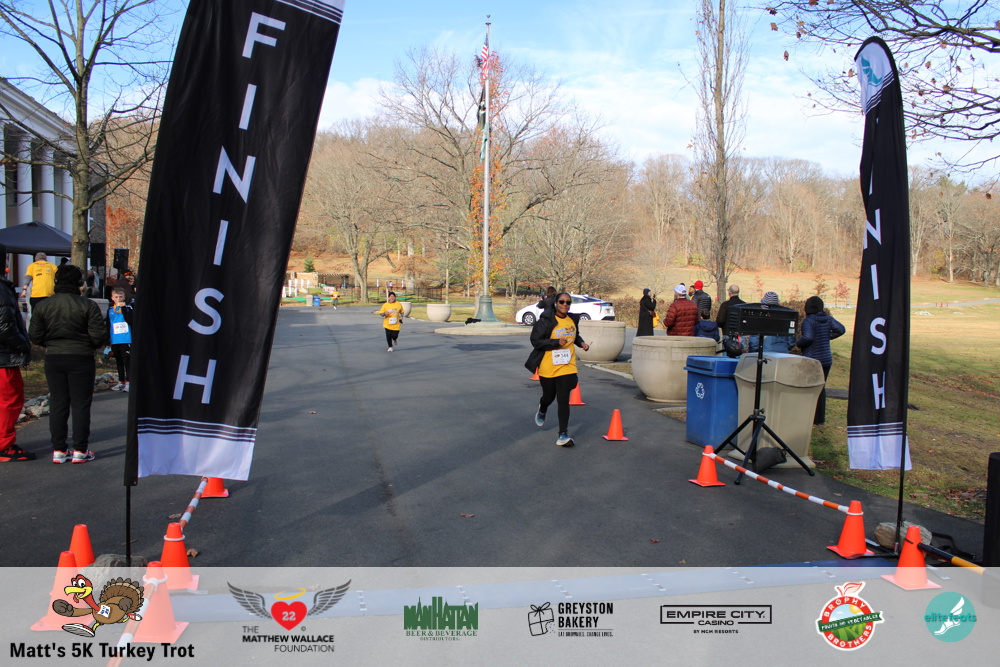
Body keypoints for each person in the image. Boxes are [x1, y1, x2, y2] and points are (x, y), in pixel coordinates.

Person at [28, 264, 105, 464]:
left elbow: (35, 335)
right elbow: (98, 336)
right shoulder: (88, 305)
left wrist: (50, 342)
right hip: (81, 356)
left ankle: (59, 449)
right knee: (81, 404)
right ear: (79, 283)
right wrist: (88, 343)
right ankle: (80, 449)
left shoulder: (43, 305)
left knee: (58, 403)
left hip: (54, 356)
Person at [524, 292, 590, 447]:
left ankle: (563, 434)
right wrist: (555, 342)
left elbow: (575, 336)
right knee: (549, 396)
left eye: (568, 302)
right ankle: (543, 407)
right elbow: (536, 341)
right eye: (562, 302)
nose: (565, 305)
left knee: (563, 400)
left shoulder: (572, 319)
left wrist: (582, 343)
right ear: (556, 303)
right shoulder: (546, 320)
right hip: (548, 366)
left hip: (567, 366)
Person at [0, 245, 34, 462]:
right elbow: (4, 326)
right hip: (3, 357)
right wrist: (23, 345)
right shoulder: (2, 289)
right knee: (9, 400)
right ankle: (4, 445)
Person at [795, 295, 846, 425]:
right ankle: (819, 419)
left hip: (812, 359)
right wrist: (827, 337)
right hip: (826, 359)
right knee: (821, 388)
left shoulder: (808, 321)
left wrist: (798, 343)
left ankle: (808, 416)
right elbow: (841, 329)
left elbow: (808, 337)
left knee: (809, 388)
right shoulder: (828, 319)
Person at [105, 287, 133, 392]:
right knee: (119, 362)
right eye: (116, 297)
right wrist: (107, 340)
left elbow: (131, 321)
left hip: (126, 339)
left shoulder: (129, 308)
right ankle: (121, 382)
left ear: (124, 297)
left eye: (121, 297)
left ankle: (129, 382)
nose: (119, 299)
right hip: (115, 340)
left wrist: (124, 309)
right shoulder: (110, 310)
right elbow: (108, 325)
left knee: (127, 362)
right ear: (112, 298)